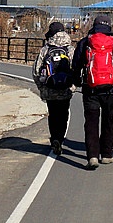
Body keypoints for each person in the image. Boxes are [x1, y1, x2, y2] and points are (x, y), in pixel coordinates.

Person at [72, 14, 113, 170]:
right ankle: (106, 154)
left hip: (90, 88)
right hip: (111, 89)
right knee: (108, 121)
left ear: (94, 25)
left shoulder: (85, 42)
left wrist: (77, 81)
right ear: (109, 26)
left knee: (91, 122)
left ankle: (92, 156)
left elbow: (76, 65)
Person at [32, 22, 75, 156]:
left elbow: (36, 71)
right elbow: (77, 70)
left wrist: (42, 88)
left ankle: (54, 138)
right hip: (65, 89)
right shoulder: (70, 49)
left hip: (50, 89)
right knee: (63, 115)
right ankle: (60, 139)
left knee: (53, 114)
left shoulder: (45, 49)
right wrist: (73, 86)